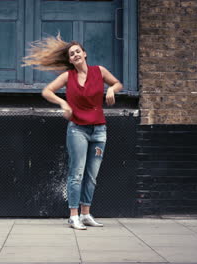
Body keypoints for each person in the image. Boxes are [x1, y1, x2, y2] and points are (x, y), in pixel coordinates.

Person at [23, 34, 123, 230]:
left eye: (78, 51)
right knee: (76, 173)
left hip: (99, 130)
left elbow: (118, 83)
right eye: (72, 54)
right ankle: (73, 215)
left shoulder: (99, 71)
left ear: (84, 54)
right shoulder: (68, 77)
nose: (76, 55)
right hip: (78, 130)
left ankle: (86, 214)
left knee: (92, 175)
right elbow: (47, 91)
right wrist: (63, 103)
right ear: (70, 60)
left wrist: (111, 90)